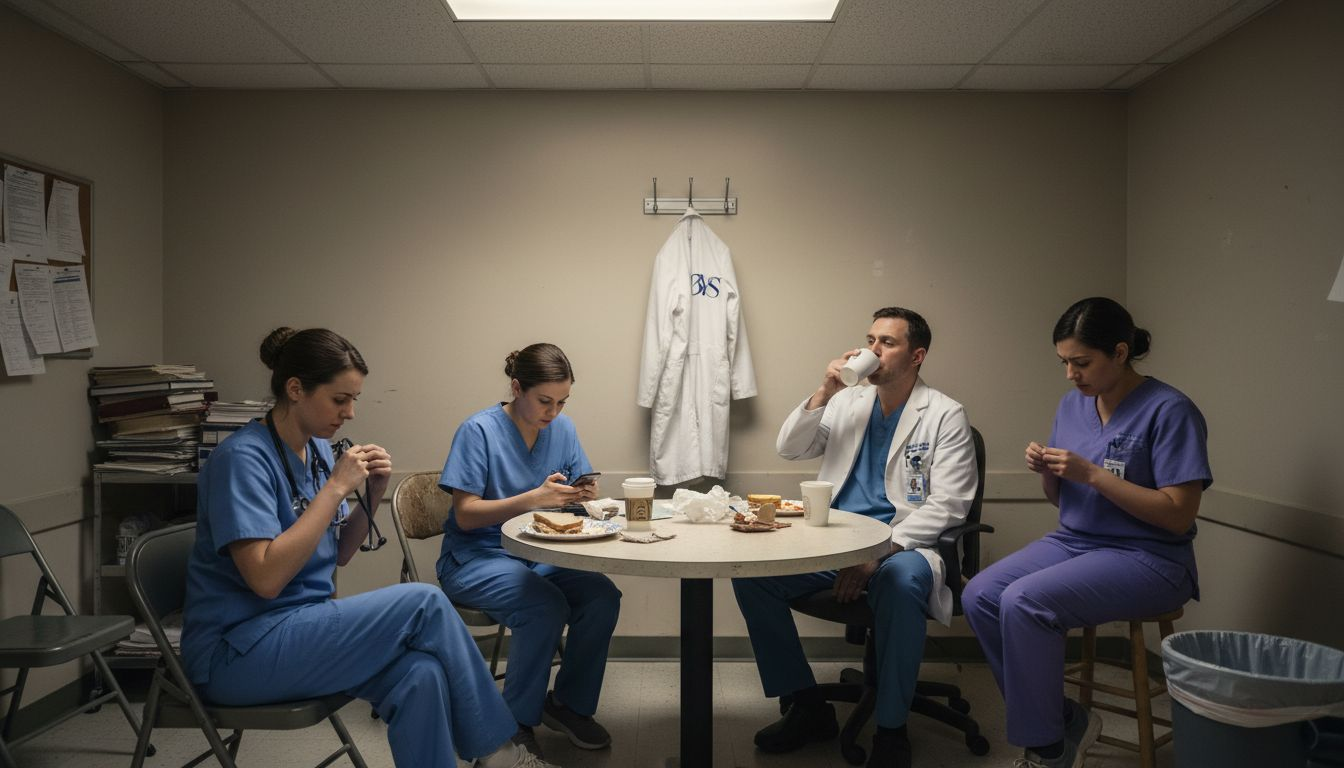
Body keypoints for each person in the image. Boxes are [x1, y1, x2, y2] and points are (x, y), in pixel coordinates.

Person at [180, 327, 553, 768]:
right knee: (424, 601)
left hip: (300, 627)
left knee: (422, 675)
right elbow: (265, 579)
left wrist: (373, 492)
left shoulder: (316, 451)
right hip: (237, 654)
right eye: (340, 400)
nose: (351, 413)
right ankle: (501, 755)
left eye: (354, 399)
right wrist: (337, 488)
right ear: (295, 389)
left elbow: (337, 552)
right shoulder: (242, 460)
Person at [963, 297, 1212, 768]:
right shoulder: (1072, 405)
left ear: (1120, 352)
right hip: (1076, 542)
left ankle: (1048, 749)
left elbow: (1179, 515)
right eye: (1064, 363)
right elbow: (1065, 502)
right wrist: (1050, 473)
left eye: (1082, 362)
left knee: (1024, 601)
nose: (1071, 375)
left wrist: (1094, 474)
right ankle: (1060, 718)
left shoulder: (1171, 411)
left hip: (1151, 557)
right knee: (981, 594)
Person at [732, 307, 979, 768]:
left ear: (917, 355)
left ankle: (891, 729)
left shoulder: (945, 415)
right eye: (870, 339)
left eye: (887, 342)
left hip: (905, 545)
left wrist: (876, 556)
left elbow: (948, 506)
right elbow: (790, 447)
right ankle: (806, 706)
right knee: (753, 574)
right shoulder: (847, 401)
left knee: (900, 582)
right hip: (837, 541)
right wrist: (825, 390)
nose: (873, 350)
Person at [437, 343, 621, 756]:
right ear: (517, 388)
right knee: (544, 606)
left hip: (539, 555)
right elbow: (465, 515)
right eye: (544, 401)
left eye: (562, 402)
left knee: (602, 596)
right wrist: (532, 499)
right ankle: (514, 722)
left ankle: (568, 705)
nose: (553, 412)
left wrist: (582, 493)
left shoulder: (563, 429)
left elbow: (568, 498)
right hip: (476, 558)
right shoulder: (478, 431)